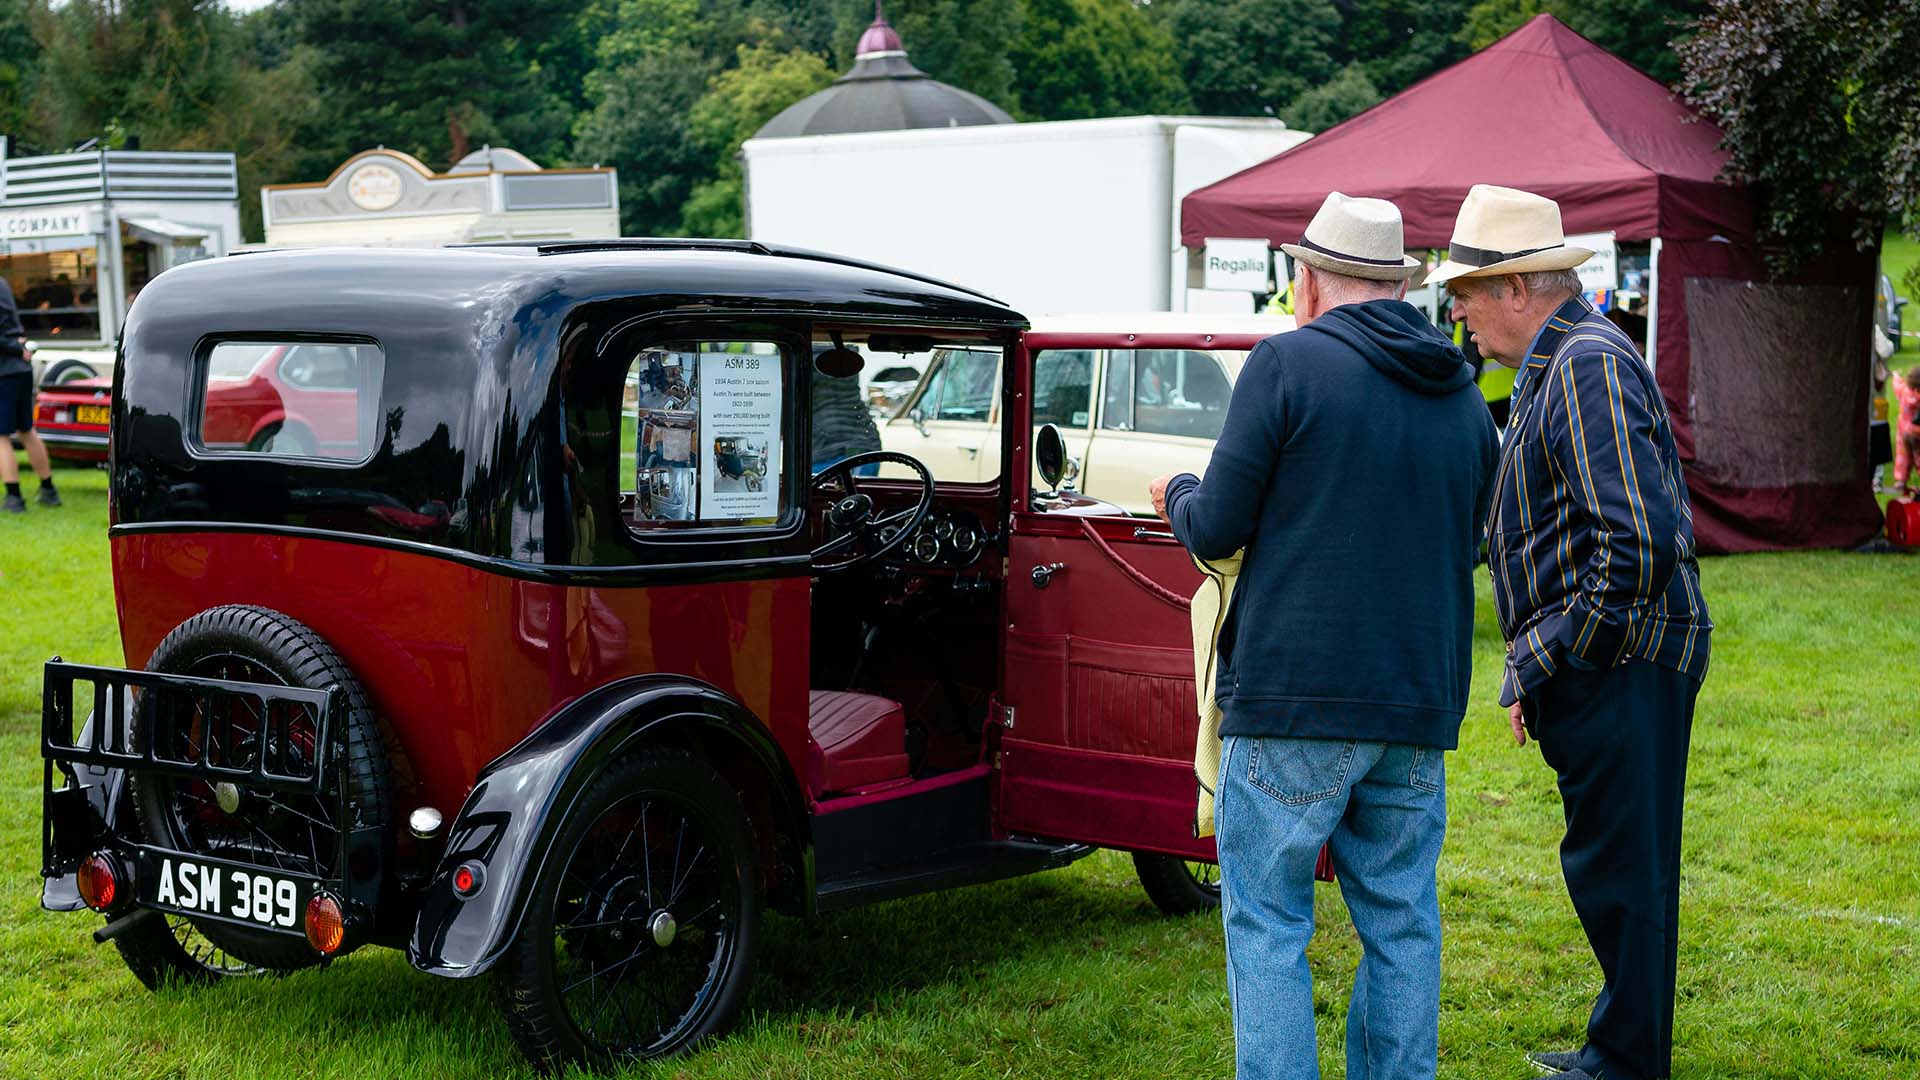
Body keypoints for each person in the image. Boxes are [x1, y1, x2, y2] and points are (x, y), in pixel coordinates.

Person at [1148, 192, 1497, 1080]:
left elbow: (1219, 525)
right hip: (1417, 697)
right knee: (1402, 920)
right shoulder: (1461, 392)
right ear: (1399, 284)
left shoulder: (1287, 366)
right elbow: (1475, 537)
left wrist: (1180, 494)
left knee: (1267, 924)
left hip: (1292, 695)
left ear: (1307, 280)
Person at [1428, 185, 1711, 1080]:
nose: (1462, 317)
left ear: (1517, 290)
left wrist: (1548, 655)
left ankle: (1626, 1064)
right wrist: (1537, 663)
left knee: (1622, 874)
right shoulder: (1566, 360)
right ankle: (1619, 1049)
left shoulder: (1586, 361)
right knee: (1617, 871)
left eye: (1468, 296)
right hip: (1609, 662)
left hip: (1624, 665)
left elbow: (1639, 544)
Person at [0, 278, 60, 513]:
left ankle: (14, 498)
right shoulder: (3, 283)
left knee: (1, 436)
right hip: (19, 368)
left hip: (4, 370)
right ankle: (48, 490)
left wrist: (15, 348)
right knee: (26, 429)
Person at [1892, 363, 1920, 497]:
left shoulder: (1904, 391)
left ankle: (1901, 481)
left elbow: (1897, 386)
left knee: (1903, 457)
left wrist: (1896, 376)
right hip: (1918, 434)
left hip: (1904, 432)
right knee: (1918, 457)